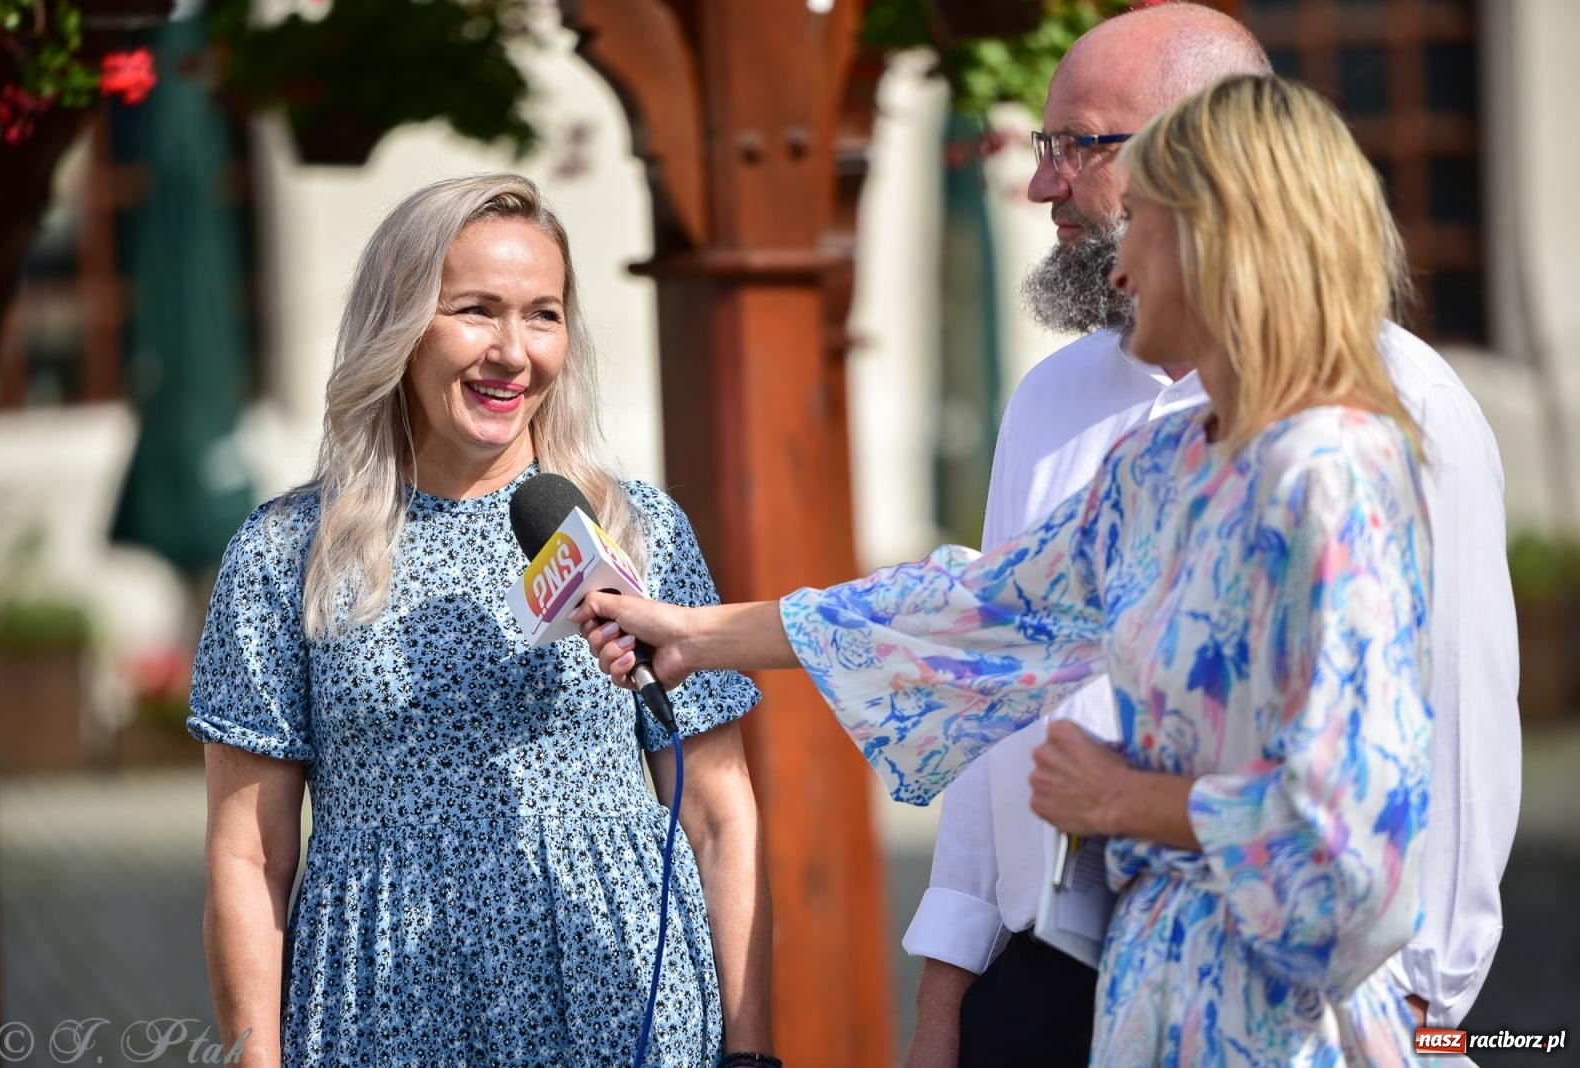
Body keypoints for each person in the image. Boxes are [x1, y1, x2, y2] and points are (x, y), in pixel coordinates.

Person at [579, 75, 1441, 1064]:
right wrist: (692, 634)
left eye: (1146, 220)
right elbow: (978, 609)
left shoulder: (1334, 467)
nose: (1119, 273)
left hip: (1283, 1027)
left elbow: (1358, 840)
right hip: (1146, 1003)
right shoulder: (1163, 465)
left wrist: (1127, 804)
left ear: (1222, 235)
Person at [907, 5, 1519, 1065]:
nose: (1039, 185)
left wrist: (1431, 1019)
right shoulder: (1051, 398)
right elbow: (990, 682)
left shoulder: (1398, 412)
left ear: (1204, 158)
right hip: (1041, 981)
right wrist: (948, 992)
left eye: (1074, 147)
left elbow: (1451, 735)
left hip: (1279, 991)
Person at [190, 174, 774, 1067]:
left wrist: (750, 1048)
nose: (513, 351)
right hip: (381, 1009)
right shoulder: (285, 552)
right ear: (400, 325)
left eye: (543, 314)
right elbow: (248, 857)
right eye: (474, 310)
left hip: (621, 998)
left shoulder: (634, 529)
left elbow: (718, 811)